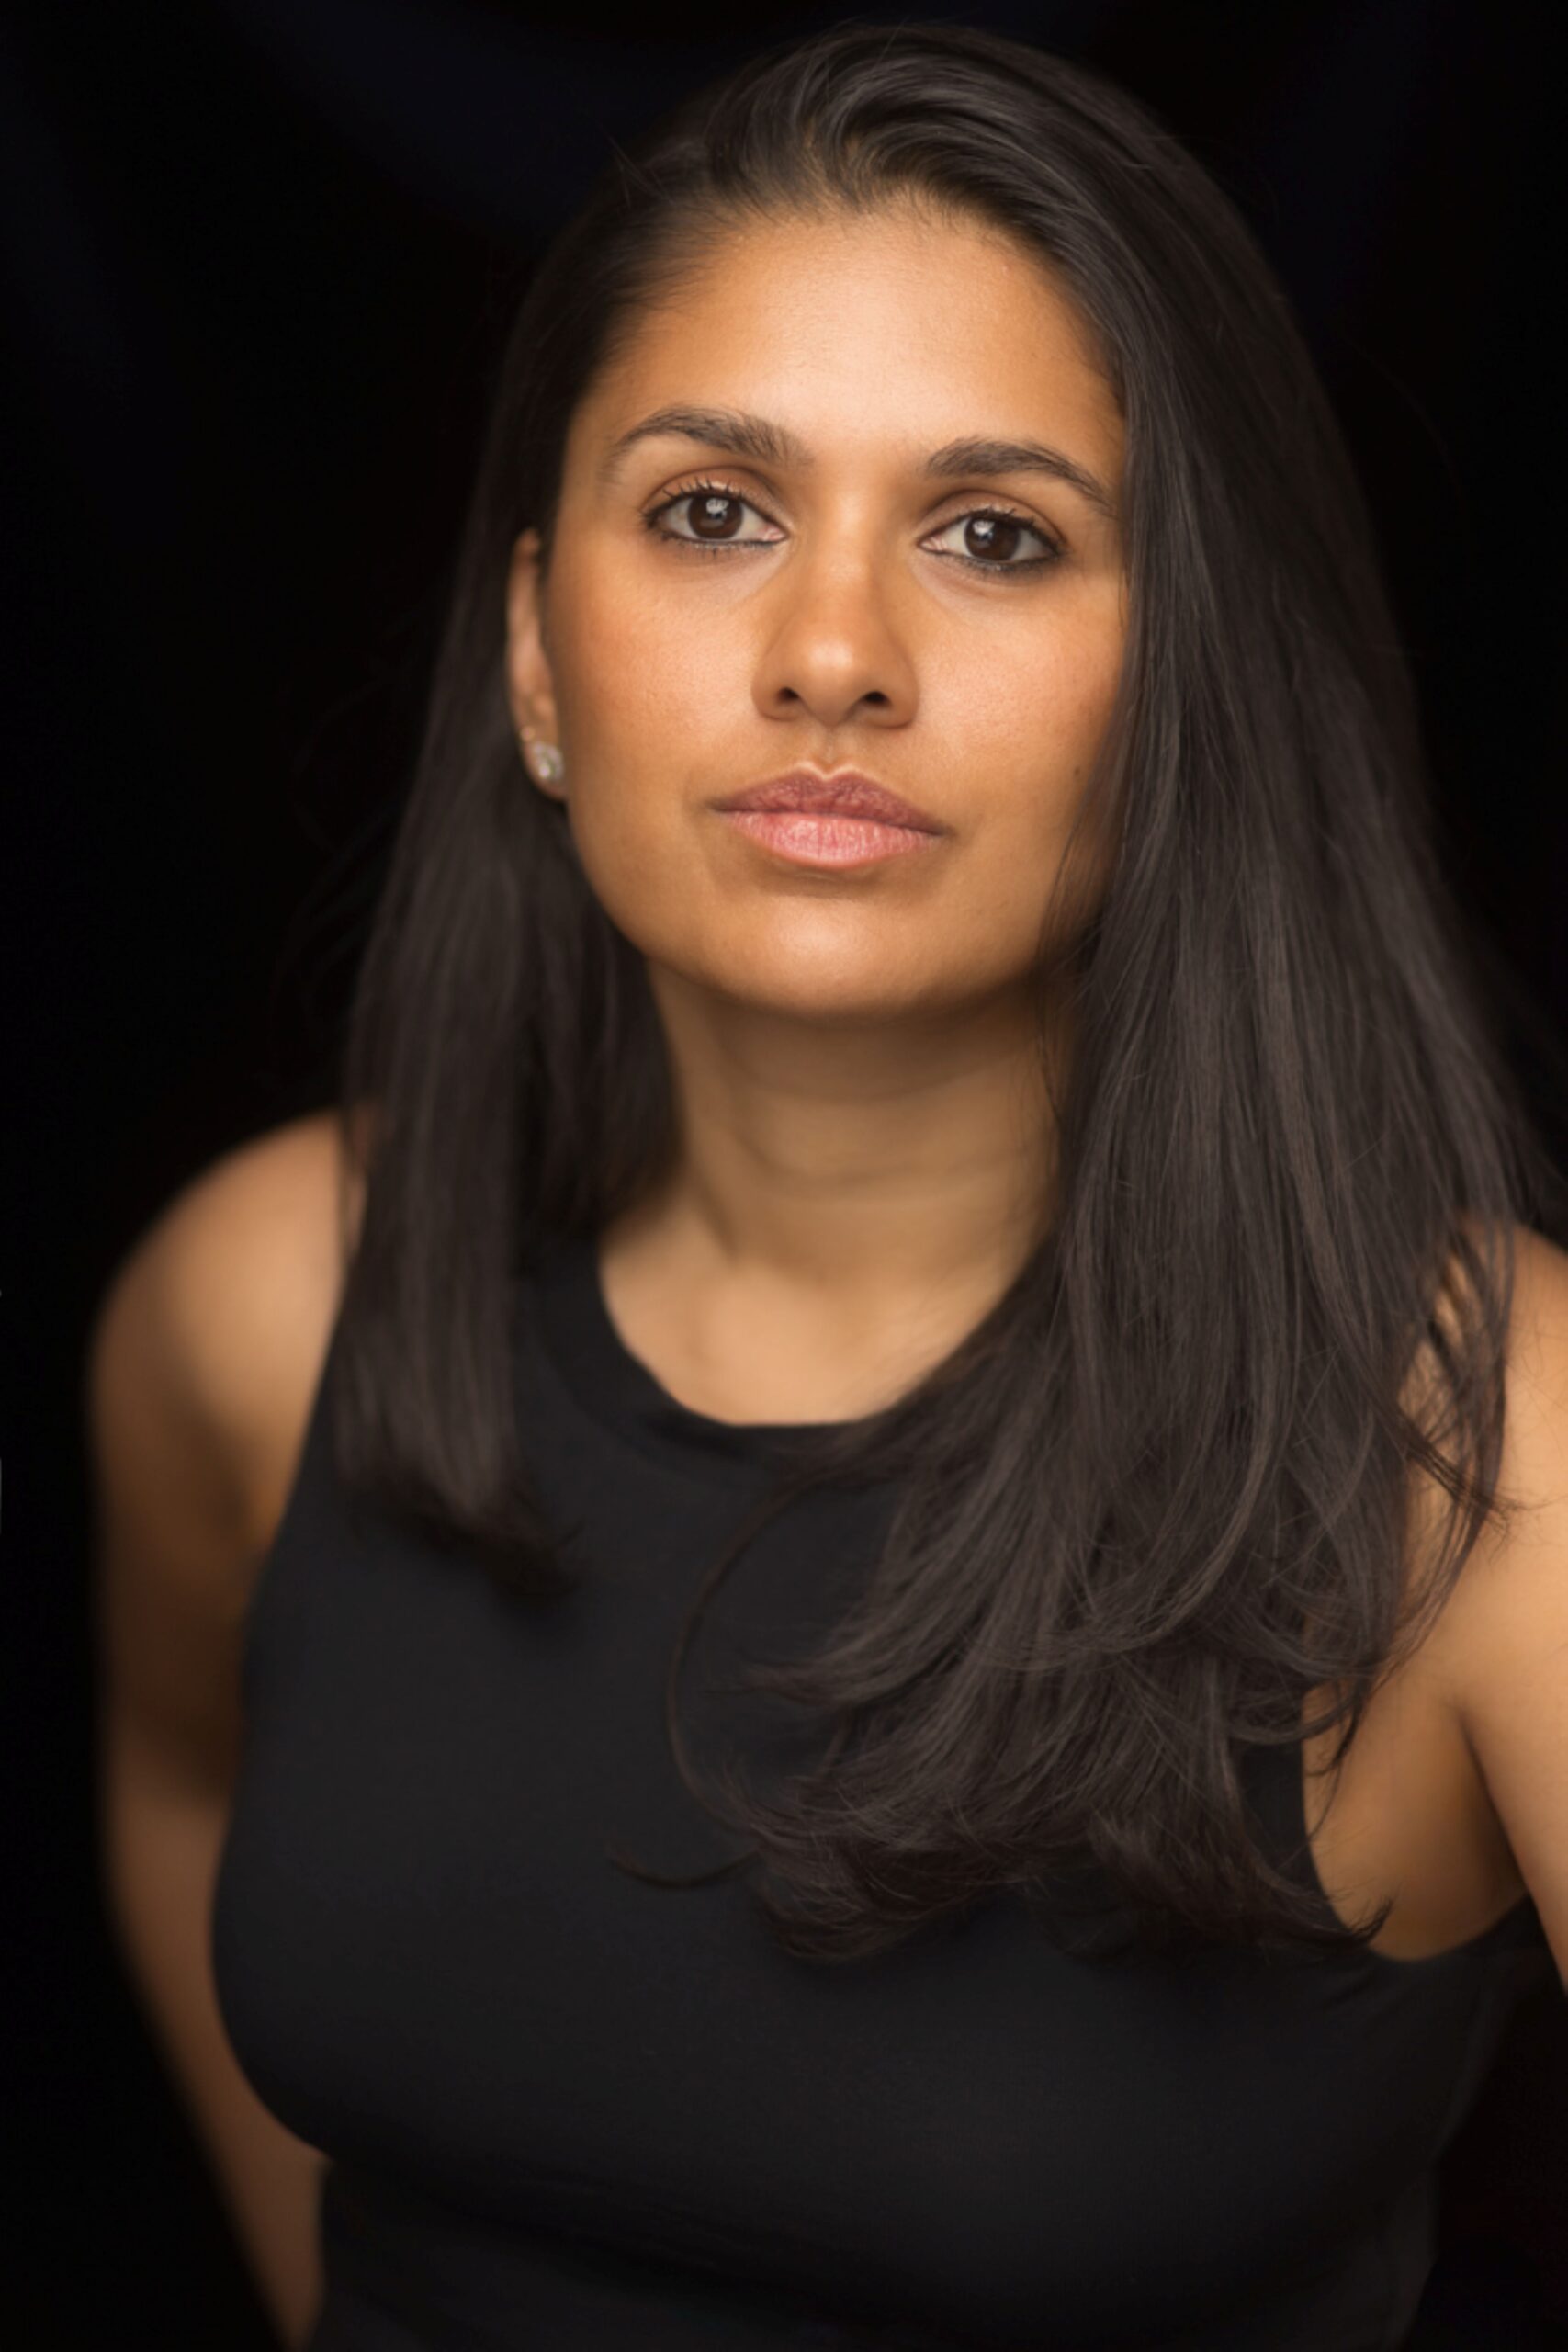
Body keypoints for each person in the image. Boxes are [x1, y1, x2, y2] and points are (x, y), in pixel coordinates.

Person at [85, 20, 1568, 2351]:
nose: (830, 656)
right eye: (711, 510)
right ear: (533, 653)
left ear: (1191, 682)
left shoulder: (1487, 1454)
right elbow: (178, 1778)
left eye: (994, 535)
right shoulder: (270, 1297)